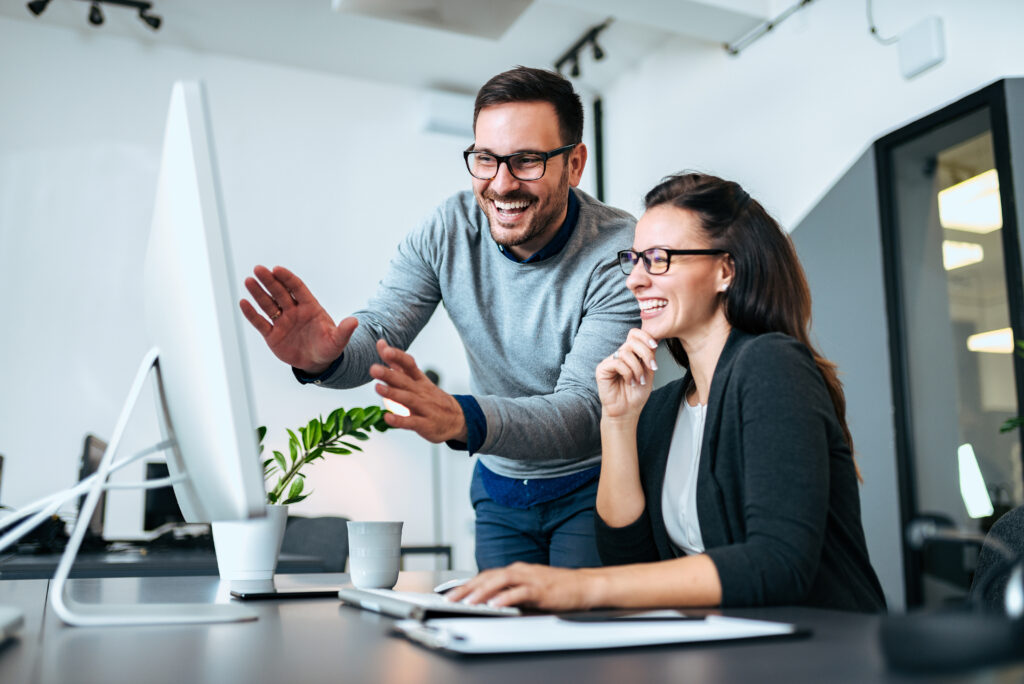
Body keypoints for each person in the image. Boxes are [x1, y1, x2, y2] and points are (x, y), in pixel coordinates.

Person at [239, 67, 639, 570]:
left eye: (528, 161)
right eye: (486, 159)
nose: (502, 183)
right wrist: (329, 359)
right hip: (498, 488)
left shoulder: (622, 254)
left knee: (582, 643)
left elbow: (584, 412)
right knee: (502, 638)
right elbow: (381, 330)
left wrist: (462, 417)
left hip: (594, 484)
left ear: (574, 164)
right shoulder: (448, 230)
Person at [446, 172, 887, 612]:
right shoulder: (661, 408)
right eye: (634, 259)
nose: (634, 280)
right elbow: (629, 559)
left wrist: (580, 587)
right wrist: (617, 421)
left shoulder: (772, 365)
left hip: (823, 652)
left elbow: (777, 564)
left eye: (658, 258)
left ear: (724, 270)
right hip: (729, 651)